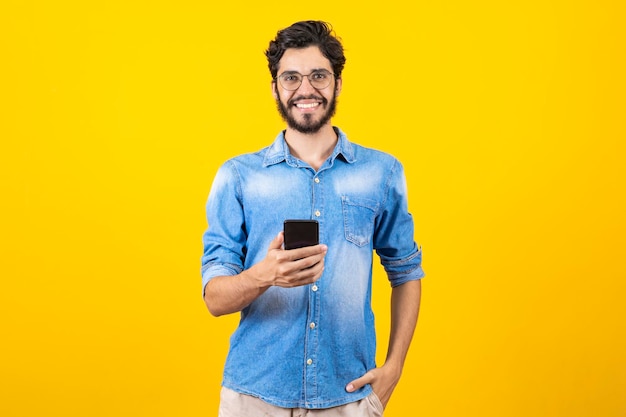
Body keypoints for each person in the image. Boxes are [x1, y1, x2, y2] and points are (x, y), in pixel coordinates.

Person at [201, 20, 424, 417]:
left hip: (347, 397)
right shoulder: (236, 177)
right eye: (291, 78)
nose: (306, 89)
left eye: (318, 76)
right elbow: (214, 299)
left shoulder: (382, 172)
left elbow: (406, 272)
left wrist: (394, 368)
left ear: (337, 84)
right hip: (254, 398)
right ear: (275, 88)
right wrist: (263, 275)